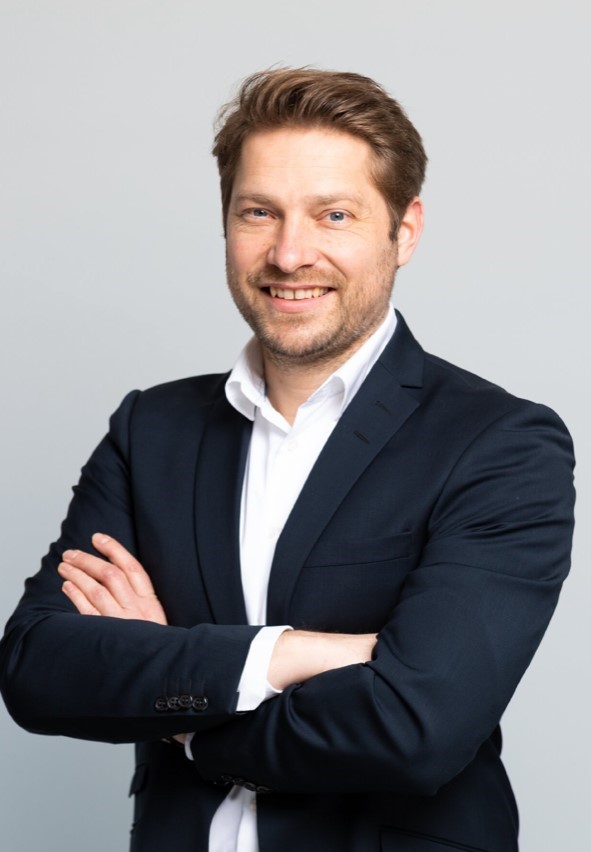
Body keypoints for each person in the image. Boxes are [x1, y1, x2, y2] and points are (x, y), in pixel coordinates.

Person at [0, 68, 575, 852]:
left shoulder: (498, 443)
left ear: (404, 230)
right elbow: (37, 669)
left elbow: (418, 728)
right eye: (258, 212)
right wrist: (289, 655)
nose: (289, 252)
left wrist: (183, 717)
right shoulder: (151, 430)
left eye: (333, 214)